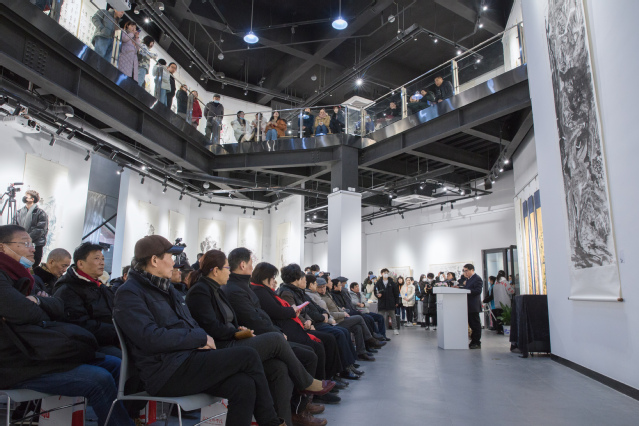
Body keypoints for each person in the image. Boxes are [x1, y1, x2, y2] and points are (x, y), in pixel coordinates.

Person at [113, 235, 286, 426]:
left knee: (244, 385)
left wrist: (200, 339)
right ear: (154, 260)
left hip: (186, 360)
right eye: (170, 257)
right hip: (165, 372)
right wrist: (200, 338)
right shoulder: (129, 293)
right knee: (248, 355)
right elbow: (150, 338)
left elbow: (189, 323)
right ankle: (271, 422)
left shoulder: (167, 289)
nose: (174, 263)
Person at [0, 225, 134, 426]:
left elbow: (58, 307)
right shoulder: (7, 277)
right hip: (17, 362)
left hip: (40, 350)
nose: (33, 249)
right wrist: (41, 305)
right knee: (99, 379)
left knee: (115, 365)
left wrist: (38, 301)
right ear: (2, 247)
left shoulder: (25, 277)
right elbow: (24, 311)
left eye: (32, 243)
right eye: (25, 243)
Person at [185, 250, 332, 426]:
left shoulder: (219, 290)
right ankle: (305, 382)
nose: (229, 271)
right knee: (277, 340)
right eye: (226, 268)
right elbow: (211, 327)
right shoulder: (201, 291)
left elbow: (237, 320)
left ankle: (285, 420)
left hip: (233, 341)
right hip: (221, 348)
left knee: (278, 368)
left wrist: (238, 329)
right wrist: (235, 332)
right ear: (215, 271)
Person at [221, 249, 332, 407]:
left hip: (267, 333)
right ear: (243, 265)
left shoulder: (246, 288)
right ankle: (302, 399)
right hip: (256, 338)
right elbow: (256, 319)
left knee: (309, 351)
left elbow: (260, 316)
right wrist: (278, 331)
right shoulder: (240, 290)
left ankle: (298, 406)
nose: (275, 281)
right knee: (307, 355)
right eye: (273, 278)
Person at [53, 242, 120, 357]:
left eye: (103, 259)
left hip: (112, 339)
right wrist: (117, 333)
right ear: (80, 263)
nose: (102, 263)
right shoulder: (68, 290)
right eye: (97, 258)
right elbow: (81, 325)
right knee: (125, 361)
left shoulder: (101, 286)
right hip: (90, 345)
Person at [13, 189, 48, 267]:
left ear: (32, 199)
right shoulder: (19, 212)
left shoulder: (41, 213)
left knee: (33, 265)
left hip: (35, 244)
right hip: (21, 243)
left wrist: (26, 239)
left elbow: (40, 229)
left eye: (27, 196)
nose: (24, 197)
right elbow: (14, 226)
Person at [457, 264, 483, 349]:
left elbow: (478, 291)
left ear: (472, 270)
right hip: (468, 305)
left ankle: (476, 342)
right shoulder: (469, 279)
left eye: (466, 271)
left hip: (473, 305)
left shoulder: (477, 279)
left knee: (475, 324)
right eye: (464, 271)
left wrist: (466, 290)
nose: (465, 273)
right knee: (472, 324)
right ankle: (473, 341)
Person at [374, 268, 399, 336]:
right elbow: (375, 291)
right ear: (381, 274)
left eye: (387, 273)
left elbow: (396, 293)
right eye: (384, 273)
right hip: (382, 302)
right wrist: (377, 295)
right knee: (381, 317)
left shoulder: (392, 282)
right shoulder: (378, 283)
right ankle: (381, 330)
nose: (386, 274)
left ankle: (395, 329)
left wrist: (396, 302)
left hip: (390, 302)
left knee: (393, 316)